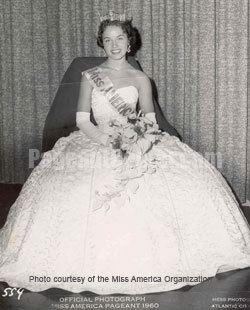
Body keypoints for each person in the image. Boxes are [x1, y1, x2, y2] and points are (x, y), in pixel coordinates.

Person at [0, 12, 249, 295]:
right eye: (108, 40)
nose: (114, 45)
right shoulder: (90, 76)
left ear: (129, 43)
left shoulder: (141, 78)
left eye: (120, 38)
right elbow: (83, 119)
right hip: (96, 139)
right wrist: (106, 141)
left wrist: (137, 142)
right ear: (101, 44)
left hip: (136, 140)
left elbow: (151, 123)